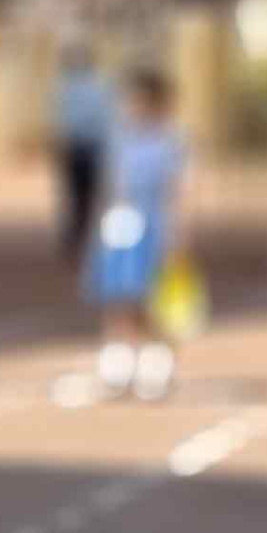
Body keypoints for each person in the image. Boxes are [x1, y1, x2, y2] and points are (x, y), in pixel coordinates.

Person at [86, 67, 189, 399]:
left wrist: (178, 234)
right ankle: (119, 362)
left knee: (152, 298)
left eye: (139, 100)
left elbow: (179, 191)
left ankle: (155, 362)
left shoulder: (171, 141)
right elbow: (110, 187)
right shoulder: (119, 139)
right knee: (117, 295)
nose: (132, 107)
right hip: (120, 227)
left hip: (155, 226)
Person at [49, 43, 109, 263]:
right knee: (83, 196)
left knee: (79, 196)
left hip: (81, 147)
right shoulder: (93, 86)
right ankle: (81, 237)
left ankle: (79, 237)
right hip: (84, 147)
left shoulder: (70, 87)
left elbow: (60, 120)